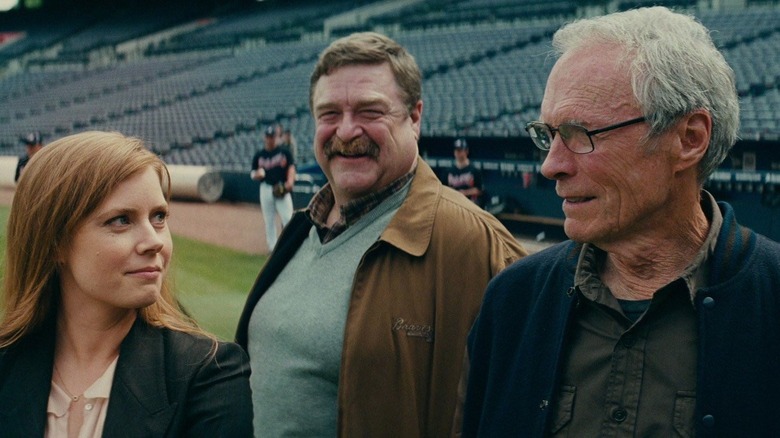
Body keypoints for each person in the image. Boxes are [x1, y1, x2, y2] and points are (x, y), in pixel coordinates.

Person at [460, 7, 780, 437]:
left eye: (579, 133)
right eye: (548, 135)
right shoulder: (513, 299)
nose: (550, 166)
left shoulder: (770, 299)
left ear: (689, 139)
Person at [235, 32, 526, 437]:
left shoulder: (478, 246)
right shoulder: (303, 229)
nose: (347, 131)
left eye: (370, 111)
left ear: (415, 117)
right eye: (329, 114)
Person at [0, 131, 253, 437]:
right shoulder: (8, 364)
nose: (154, 241)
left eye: (159, 217)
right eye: (121, 220)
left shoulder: (210, 374)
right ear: (55, 242)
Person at [250, 125, 296, 252]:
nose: (270, 139)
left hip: (281, 187)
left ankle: (289, 246)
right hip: (265, 188)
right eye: (268, 136)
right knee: (269, 220)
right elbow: (252, 173)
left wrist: (290, 182)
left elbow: (291, 167)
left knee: (287, 218)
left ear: (277, 137)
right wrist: (256, 175)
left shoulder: (284, 152)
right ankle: (272, 248)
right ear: (265, 137)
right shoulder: (259, 155)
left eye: (273, 136)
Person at [444, 138, 483, 206]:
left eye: (460, 150)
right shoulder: (448, 171)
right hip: (453, 204)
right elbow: (444, 189)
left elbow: (479, 190)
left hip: (470, 204)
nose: (457, 153)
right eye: (456, 150)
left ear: (466, 151)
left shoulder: (474, 170)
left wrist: (464, 193)